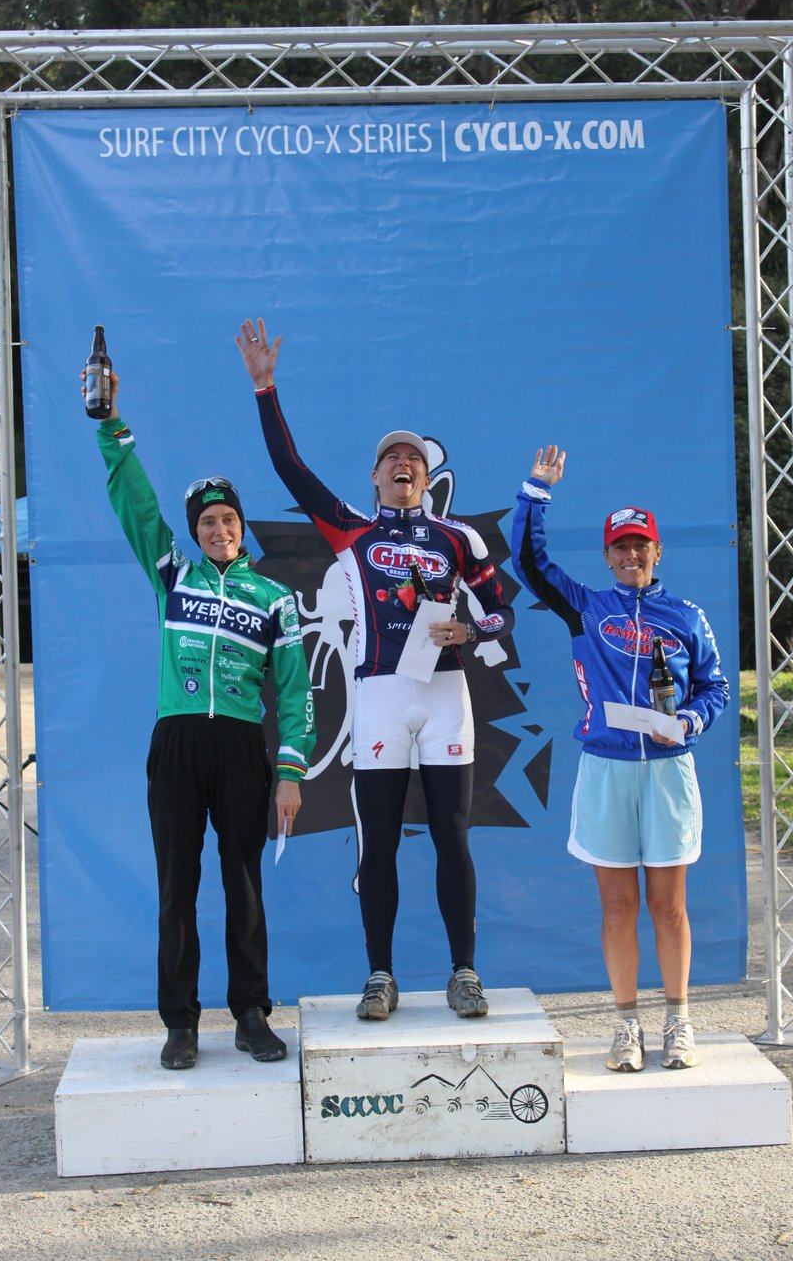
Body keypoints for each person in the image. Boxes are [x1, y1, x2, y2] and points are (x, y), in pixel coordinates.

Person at [235, 317, 514, 1021]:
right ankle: (380, 974)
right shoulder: (351, 530)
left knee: (452, 836)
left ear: (426, 477)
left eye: (413, 461)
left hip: (446, 695)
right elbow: (291, 472)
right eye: (391, 458)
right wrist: (265, 389)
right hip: (381, 698)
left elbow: (499, 613)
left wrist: (469, 625)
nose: (402, 466)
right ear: (375, 475)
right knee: (378, 841)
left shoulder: (458, 537)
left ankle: (463, 972)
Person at [89, 366, 315, 1069]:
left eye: (228, 520)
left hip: (243, 745)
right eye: (207, 522)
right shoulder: (173, 575)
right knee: (175, 883)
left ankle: (250, 1013)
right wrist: (109, 426)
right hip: (179, 738)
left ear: (242, 528)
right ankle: (180, 1024)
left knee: (242, 882)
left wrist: (290, 772)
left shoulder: (274, 598)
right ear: (194, 532)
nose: (218, 530)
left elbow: (297, 692)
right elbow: (136, 502)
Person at [511, 446, 729, 1071]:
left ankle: (679, 1021)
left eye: (642, 546)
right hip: (606, 767)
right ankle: (626, 1025)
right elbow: (530, 562)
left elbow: (714, 687)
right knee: (617, 906)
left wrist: (687, 719)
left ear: (657, 553)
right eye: (621, 547)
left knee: (670, 905)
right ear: (607, 556)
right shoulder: (587, 607)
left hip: (668, 772)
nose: (632, 557)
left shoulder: (686, 616)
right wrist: (536, 492)